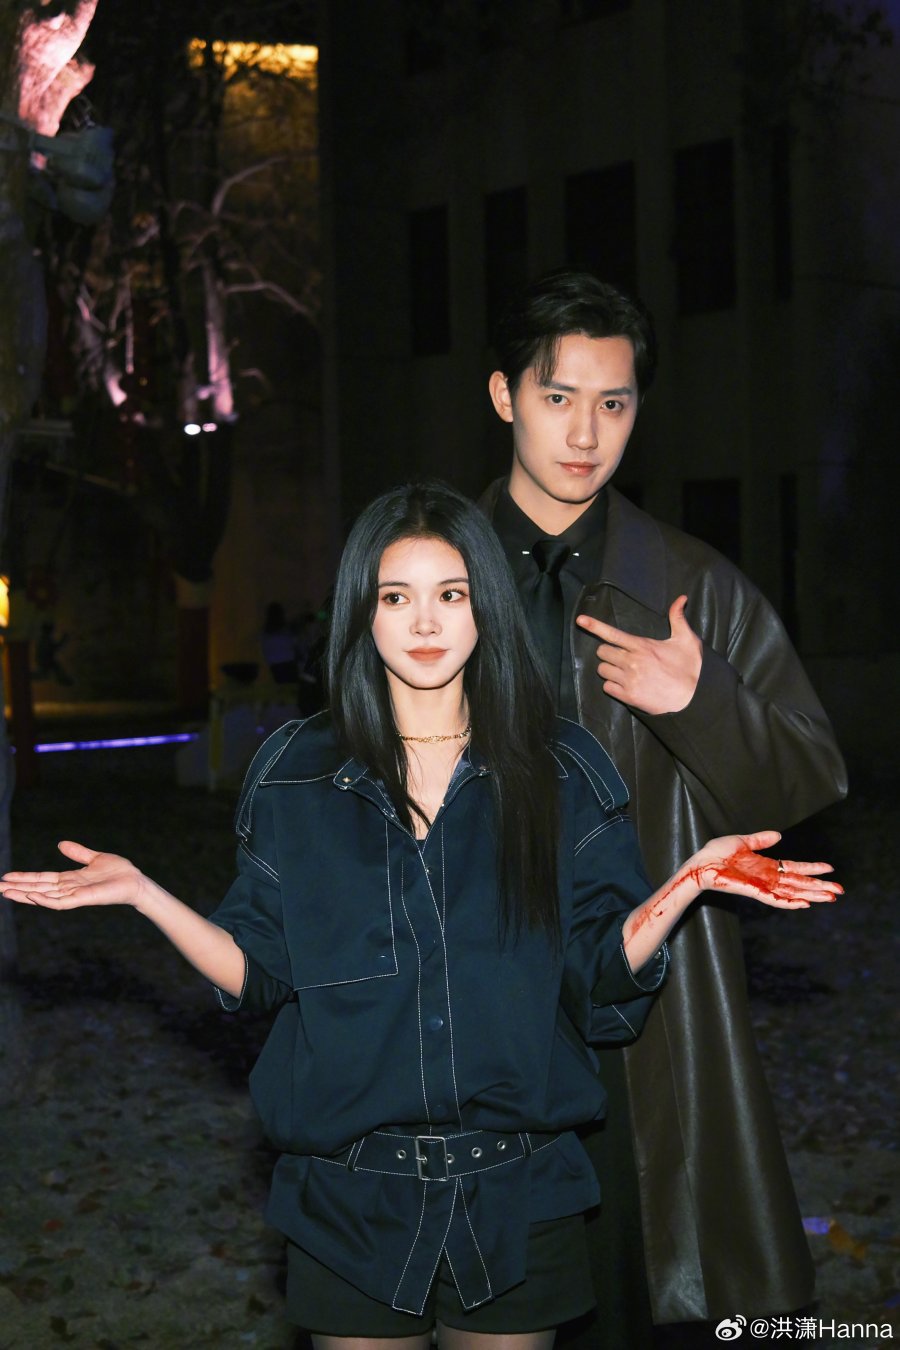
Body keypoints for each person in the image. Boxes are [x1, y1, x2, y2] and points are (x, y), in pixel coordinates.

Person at [1, 482, 842, 1350]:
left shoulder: (558, 766)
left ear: (487, 607)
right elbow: (259, 969)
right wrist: (146, 895)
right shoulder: (296, 771)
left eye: (452, 594)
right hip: (349, 1198)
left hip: (520, 1193)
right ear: (362, 613)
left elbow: (595, 975)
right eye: (396, 597)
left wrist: (687, 882)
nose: (426, 621)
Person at [481, 270, 849, 1347]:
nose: (585, 433)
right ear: (504, 396)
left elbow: (805, 783)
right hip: (470, 995)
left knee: (626, 1283)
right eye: (558, 397)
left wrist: (702, 702)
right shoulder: (431, 572)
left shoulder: (689, 584)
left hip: (637, 1005)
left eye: (615, 402)